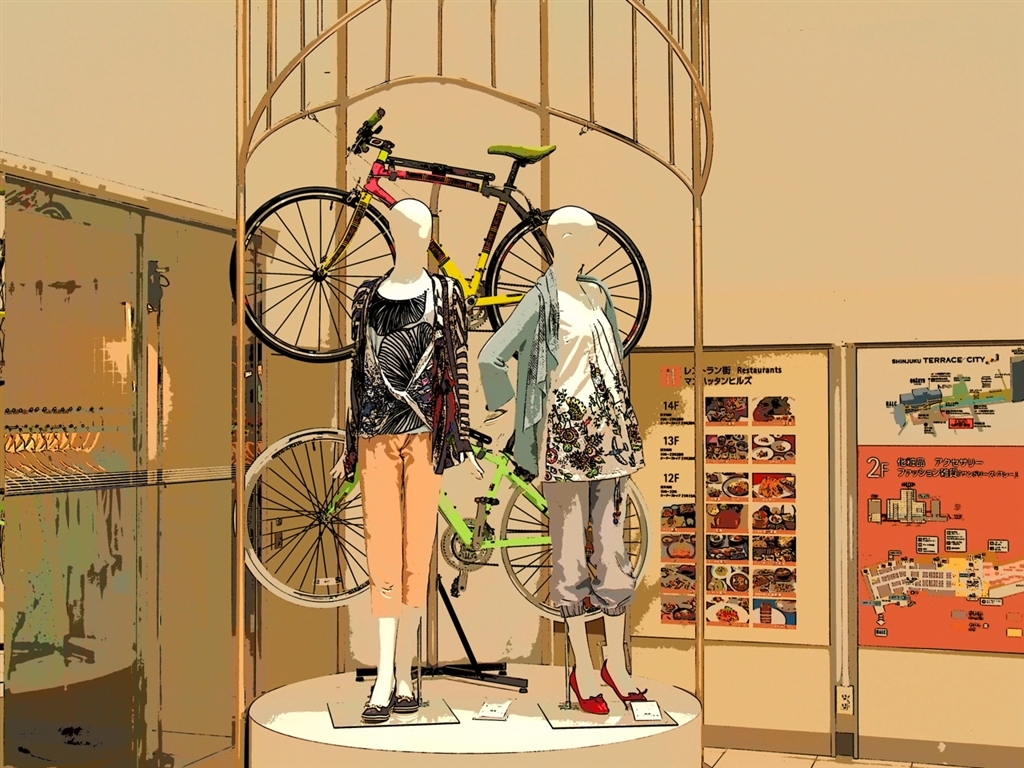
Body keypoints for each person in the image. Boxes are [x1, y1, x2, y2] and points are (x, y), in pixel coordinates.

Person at [478, 206, 646, 714]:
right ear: (562, 239)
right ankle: (584, 672)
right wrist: (504, 407)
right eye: (585, 238)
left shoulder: (599, 294)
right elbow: (492, 355)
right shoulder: (540, 299)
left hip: (610, 435)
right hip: (564, 439)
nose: (593, 246)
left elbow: (614, 358)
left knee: (614, 552)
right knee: (570, 554)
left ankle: (616, 664)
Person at [331, 198, 480, 724]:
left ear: (429, 234)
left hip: (424, 436)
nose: (412, 236)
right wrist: (349, 443)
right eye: (403, 228)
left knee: (417, 550)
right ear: (393, 234)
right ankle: (383, 674)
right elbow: (356, 368)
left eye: (420, 229)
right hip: (375, 433)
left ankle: (405, 673)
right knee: (382, 552)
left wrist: (459, 437)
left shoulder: (446, 292)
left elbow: (457, 365)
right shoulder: (366, 294)